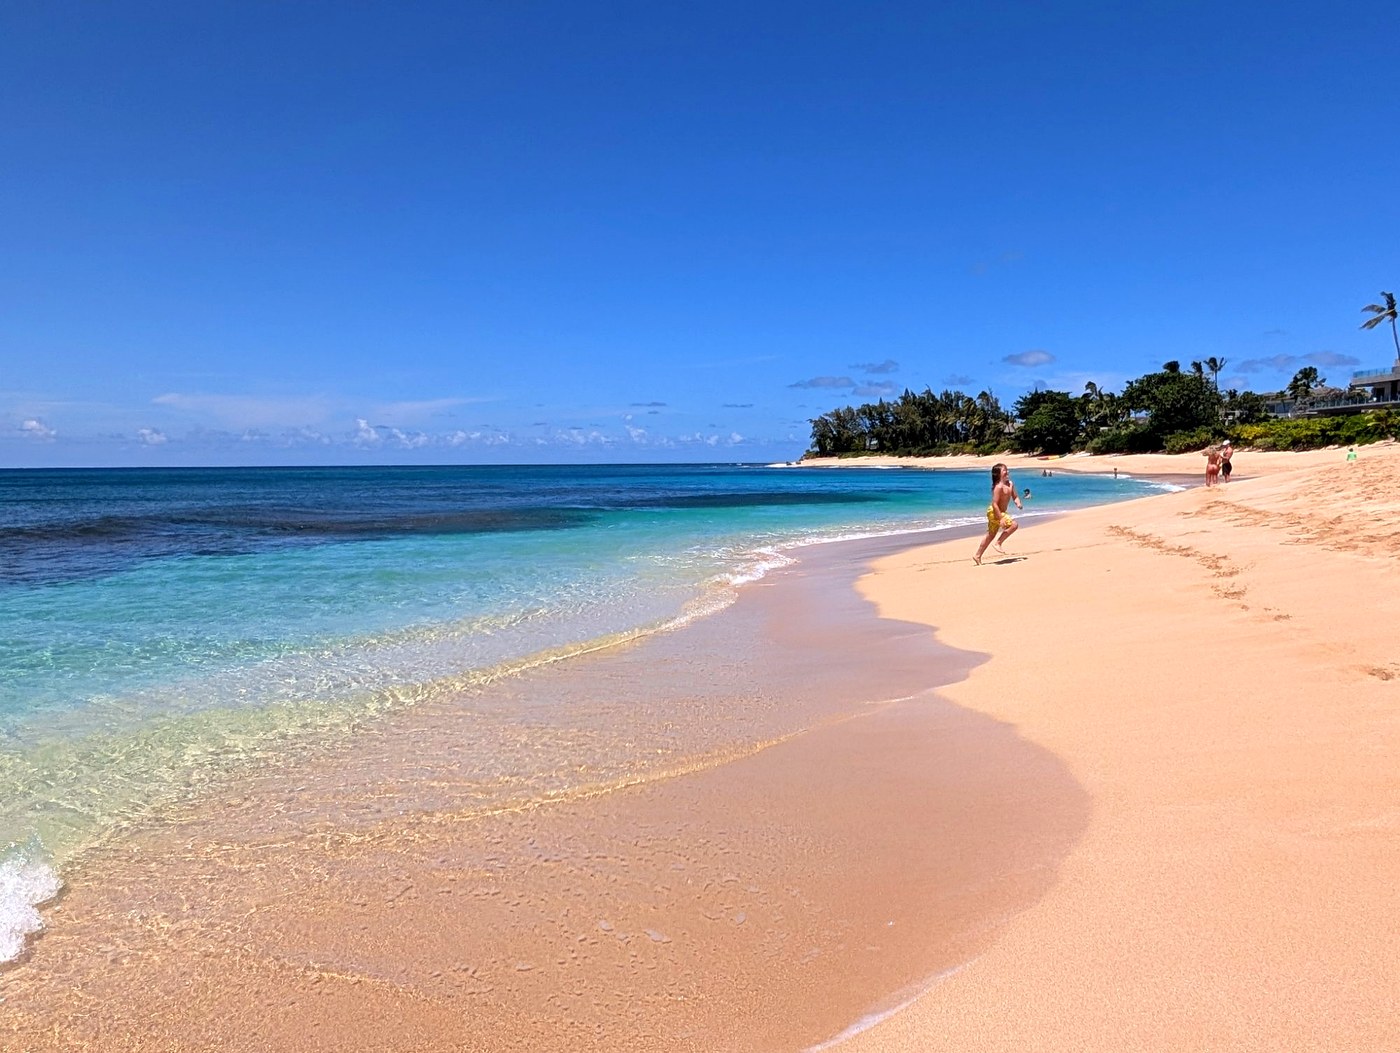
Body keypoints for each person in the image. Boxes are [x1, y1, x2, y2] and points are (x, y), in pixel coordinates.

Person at [974, 463, 1023, 564]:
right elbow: (994, 504)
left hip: (1000, 512)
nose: (1007, 472)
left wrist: (1018, 503)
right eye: (1005, 470)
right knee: (1014, 525)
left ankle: (977, 555)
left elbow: (1015, 496)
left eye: (1007, 469)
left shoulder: (1010, 484)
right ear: (998, 474)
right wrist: (1000, 518)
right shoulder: (998, 487)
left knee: (990, 535)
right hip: (994, 512)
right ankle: (998, 543)